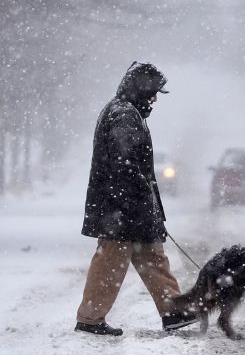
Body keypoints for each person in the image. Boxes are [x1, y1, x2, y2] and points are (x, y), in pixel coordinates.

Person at [75, 61, 196, 336]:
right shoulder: (123, 115)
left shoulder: (127, 112)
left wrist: (149, 207)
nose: (154, 99)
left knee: (153, 257)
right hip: (120, 209)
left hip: (130, 207)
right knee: (111, 262)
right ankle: (90, 319)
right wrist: (141, 200)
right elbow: (125, 164)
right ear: (139, 89)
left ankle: (173, 311)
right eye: (152, 92)